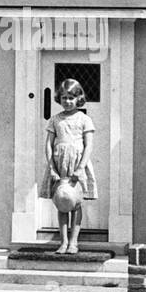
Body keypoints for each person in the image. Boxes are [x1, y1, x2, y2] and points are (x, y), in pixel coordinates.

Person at [41, 78, 97, 254]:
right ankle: (63, 241)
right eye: (64, 98)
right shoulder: (55, 119)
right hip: (60, 165)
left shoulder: (84, 119)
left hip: (77, 165)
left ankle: (74, 242)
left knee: (76, 202)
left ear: (79, 99)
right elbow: (49, 144)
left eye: (71, 98)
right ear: (59, 98)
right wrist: (51, 167)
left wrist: (80, 168)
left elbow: (88, 145)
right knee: (62, 201)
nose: (67, 101)